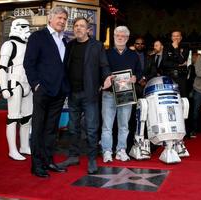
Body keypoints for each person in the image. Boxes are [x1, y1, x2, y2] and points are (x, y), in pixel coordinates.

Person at [56, 17, 112, 174]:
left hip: (90, 94)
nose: (78, 28)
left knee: (92, 128)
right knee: (72, 128)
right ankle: (73, 156)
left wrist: (107, 77)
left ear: (89, 30)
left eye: (81, 26)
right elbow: (65, 67)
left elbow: (104, 65)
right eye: (76, 26)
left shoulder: (97, 46)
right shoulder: (70, 45)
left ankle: (92, 159)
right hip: (73, 93)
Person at [23, 7, 70, 178]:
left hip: (59, 92)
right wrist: (35, 84)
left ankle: (48, 161)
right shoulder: (38, 37)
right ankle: (37, 165)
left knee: (51, 129)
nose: (62, 21)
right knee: (38, 128)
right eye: (59, 18)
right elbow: (29, 63)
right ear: (50, 18)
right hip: (42, 91)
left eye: (64, 19)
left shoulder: (64, 40)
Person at [101, 26, 141, 163]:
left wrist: (135, 78)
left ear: (127, 38)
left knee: (124, 125)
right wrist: (105, 78)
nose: (120, 37)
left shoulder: (133, 55)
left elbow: (139, 72)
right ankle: (107, 151)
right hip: (109, 94)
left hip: (126, 94)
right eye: (117, 35)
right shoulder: (105, 53)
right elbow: (100, 71)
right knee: (107, 125)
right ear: (113, 36)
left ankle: (121, 150)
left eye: (123, 36)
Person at [0, 18, 32, 161]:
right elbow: (2, 68)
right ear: (17, 27)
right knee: (13, 117)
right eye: (24, 26)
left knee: (27, 117)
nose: (27, 29)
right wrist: (4, 87)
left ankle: (24, 146)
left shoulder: (29, 45)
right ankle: (13, 149)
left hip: (27, 84)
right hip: (14, 82)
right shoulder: (9, 44)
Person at [163, 30, 189, 97]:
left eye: (177, 36)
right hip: (170, 76)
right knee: (171, 95)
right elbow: (165, 63)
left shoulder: (185, 47)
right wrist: (177, 65)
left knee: (182, 97)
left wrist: (176, 48)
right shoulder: (166, 47)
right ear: (171, 38)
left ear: (181, 37)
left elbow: (181, 61)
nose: (176, 38)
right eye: (174, 36)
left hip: (181, 77)